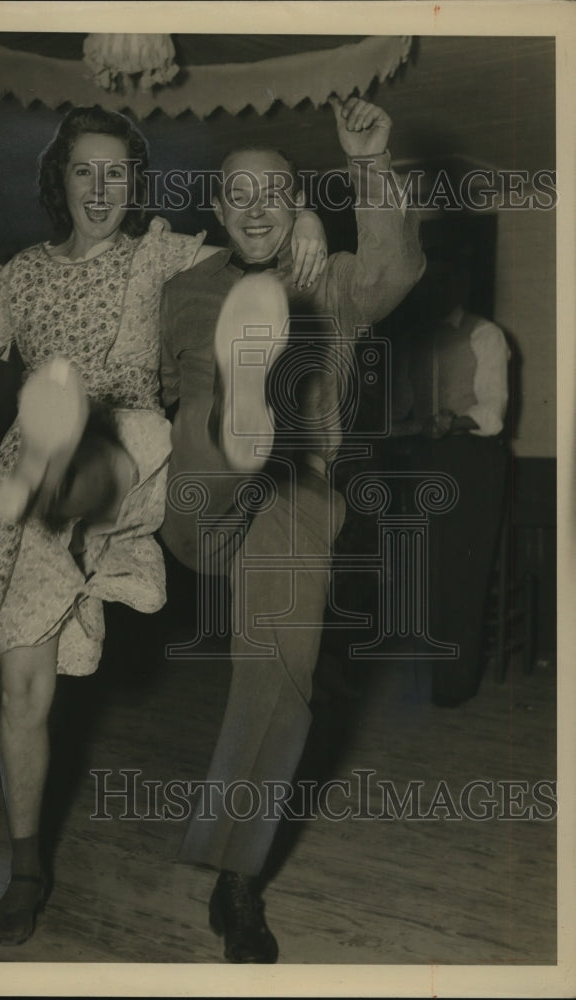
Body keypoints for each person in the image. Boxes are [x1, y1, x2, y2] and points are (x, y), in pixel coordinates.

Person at [0, 104, 327, 947]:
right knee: (22, 689)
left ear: (135, 184)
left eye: (116, 172)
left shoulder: (161, 254)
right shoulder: (13, 275)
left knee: (123, 435)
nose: (100, 187)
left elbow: (254, 232)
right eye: (84, 171)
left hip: (133, 449)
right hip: (31, 476)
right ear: (61, 181)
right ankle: (25, 868)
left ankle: (168, 443)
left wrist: (303, 211)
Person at [157, 94, 425, 963]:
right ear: (218, 209)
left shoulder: (334, 278)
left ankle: (238, 879)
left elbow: (396, 272)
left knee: (280, 670)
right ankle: (240, 410)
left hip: (297, 489)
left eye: (278, 191)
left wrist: (370, 170)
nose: (259, 205)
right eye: (240, 193)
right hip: (199, 491)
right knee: (194, 444)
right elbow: (154, 383)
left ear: (295, 199)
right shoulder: (186, 289)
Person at [391, 243, 512, 706]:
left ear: (462, 284)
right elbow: (402, 409)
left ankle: (453, 687)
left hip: (471, 463)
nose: (434, 289)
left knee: (460, 574)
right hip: (422, 463)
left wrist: (451, 420)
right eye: (427, 282)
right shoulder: (413, 339)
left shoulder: (486, 335)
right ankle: (424, 680)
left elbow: (494, 410)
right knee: (421, 573)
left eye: (443, 280)